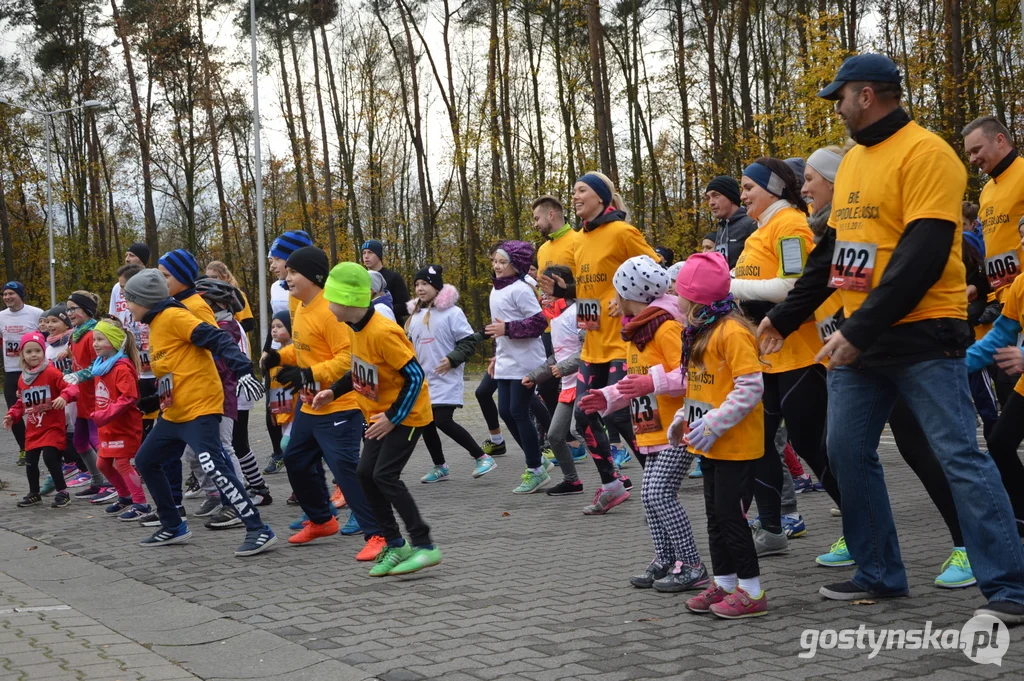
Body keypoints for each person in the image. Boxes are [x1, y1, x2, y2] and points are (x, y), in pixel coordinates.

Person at [760, 53, 1024, 620]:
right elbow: (833, 252)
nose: (838, 107)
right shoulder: (853, 161)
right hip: (863, 341)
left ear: (868, 95)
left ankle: (1009, 586)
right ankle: (880, 572)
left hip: (924, 334)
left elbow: (923, 252)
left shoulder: (929, 153)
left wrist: (860, 327)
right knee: (845, 452)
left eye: (841, 96)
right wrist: (783, 317)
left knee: (958, 455)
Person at [802, 144, 974, 587]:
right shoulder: (822, 226)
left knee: (928, 449)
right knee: (843, 448)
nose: (804, 189)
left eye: (811, 179)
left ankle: (968, 545)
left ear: (836, 184)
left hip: (897, 342)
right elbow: (830, 278)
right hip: (853, 346)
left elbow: (904, 268)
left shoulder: (869, 206)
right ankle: (869, 550)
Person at [121, 268, 276, 556]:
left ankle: (259, 530)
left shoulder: (174, 316)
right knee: (146, 460)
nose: (127, 306)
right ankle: (173, 525)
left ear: (145, 300)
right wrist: (155, 400)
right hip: (175, 411)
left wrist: (243, 370)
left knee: (213, 465)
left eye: (130, 300)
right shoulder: (156, 324)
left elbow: (217, 339)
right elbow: (177, 369)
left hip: (200, 406)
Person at [580, 256, 710, 591]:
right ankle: (665, 558)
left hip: (678, 427)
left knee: (660, 494)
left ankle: (693, 565)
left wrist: (651, 383)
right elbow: (634, 381)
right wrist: (607, 397)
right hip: (649, 427)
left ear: (629, 293)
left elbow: (690, 374)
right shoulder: (637, 331)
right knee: (648, 497)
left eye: (617, 292)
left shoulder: (667, 327)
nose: (614, 300)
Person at [731, 157, 834, 557]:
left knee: (811, 445)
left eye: (748, 187)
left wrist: (731, 284)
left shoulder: (790, 223)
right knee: (758, 443)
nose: (742, 196)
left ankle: (863, 528)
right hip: (768, 357)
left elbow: (794, 286)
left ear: (773, 187)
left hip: (801, 354)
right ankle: (772, 529)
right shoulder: (762, 229)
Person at [314, 262, 440, 577]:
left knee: (385, 476)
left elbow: (415, 376)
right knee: (364, 474)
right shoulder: (354, 328)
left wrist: (393, 417)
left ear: (348, 301)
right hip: (378, 414)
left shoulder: (383, 331)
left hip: (407, 415)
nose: (328, 307)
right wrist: (333, 391)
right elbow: (360, 368)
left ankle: (425, 546)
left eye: (331, 300)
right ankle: (396, 544)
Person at [260, 246, 385, 559]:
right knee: (296, 458)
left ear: (314, 278)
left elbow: (348, 359)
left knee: (346, 471)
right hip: (310, 404)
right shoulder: (299, 304)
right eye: (286, 271)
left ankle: (379, 534)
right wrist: (279, 355)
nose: (286, 277)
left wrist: (308, 374)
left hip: (339, 405)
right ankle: (321, 519)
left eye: (292, 272)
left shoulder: (331, 311)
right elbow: (304, 348)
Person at [548, 171, 655, 513]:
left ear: (600, 197)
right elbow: (587, 289)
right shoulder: (578, 239)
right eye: (574, 191)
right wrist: (563, 293)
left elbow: (655, 268)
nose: (575, 196)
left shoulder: (623, 232)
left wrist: (626, 295)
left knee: (623, 417)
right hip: (591, 345)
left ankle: (657, 479)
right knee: (583, 415)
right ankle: (611, 485)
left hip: (622, 343)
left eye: (581, 190)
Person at [675, 254, 768, 617]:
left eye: (679, 290)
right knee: (715, 516)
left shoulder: (733, 332)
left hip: (736, 445)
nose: (675, 296)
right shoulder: (700, 331)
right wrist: (684, 418)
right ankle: (725, 582)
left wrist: (713, 423)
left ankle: (752, 590)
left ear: (695, 297)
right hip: (711, 446)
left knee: (733, 517)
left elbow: (749, 387)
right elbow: (704, 390)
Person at [406, 265, 495, 482]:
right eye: (417, 284)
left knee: (442, 420)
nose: (420, 288)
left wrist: (452, 359)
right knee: (425, 423)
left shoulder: (452, 313)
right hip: (423, 379)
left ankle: (482, 457)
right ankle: (440, 467)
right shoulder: (415, 316)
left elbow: (467, 342)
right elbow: (409, 345)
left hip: (446, 377)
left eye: (425, 284)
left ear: (436, 287)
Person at [962, 115, 1024, 407]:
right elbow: (991, 250)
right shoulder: (987, 191)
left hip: (1022, 300)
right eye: (969, 154)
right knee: (1007, 391)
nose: (973, 159)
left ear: (1000, 140)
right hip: (1004, 304)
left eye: (976, 150)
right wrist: (981, 288)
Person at [486, 241, 551, 494]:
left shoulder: (521, 289)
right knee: (505, 411)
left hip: (526, 361)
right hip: (506, 360)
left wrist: (509, 329)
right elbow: (497, 328)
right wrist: (496, 357)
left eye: (503, 262)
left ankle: (535, 470)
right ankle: (537, 457)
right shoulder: (496, 290)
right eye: (495, 261)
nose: (497, 266)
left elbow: (538, 323)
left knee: (518, 410)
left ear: (517, 265)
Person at [524, 265, 588, 495]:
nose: (543, 293)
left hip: (587, 382)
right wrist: (534, 375)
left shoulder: (580, 310)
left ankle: (614, 478)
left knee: (579, 429)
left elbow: (589, 350)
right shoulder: (556, 317)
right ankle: (573, 482)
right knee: (554, 435)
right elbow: (556, 356)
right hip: (568, 386)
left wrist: (563, 367)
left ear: (562, 284)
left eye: (546, 286)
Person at [82, 320, 148, 520]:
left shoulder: (122, 367)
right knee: (102, 464)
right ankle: (125, 496)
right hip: (107, 426)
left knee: (122, 463)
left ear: (114, 342)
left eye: (100, 339)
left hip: (124, 425)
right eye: (94, 339)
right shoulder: (100, 367)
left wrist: (105, 413)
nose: (95, 343)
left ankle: (141, 504)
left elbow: (129, 398)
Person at [4, 331, 77, 508]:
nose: (33, 355)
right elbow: (22, 401)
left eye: (37, 350)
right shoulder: (23, 378)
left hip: (52, 425)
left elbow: (71, 388)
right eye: (29, 352)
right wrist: (12, 415)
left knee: (50, 457)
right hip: (34, 427)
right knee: (30, 461)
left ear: (43, 352)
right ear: (22, 355)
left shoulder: (51, 372)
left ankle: (62, 491)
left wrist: (63, 397)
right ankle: (34, 493)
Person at [263, 230, 313, 474]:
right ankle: (318, 506)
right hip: (299, 373)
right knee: (293, 444)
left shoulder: (321, 297)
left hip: (328, 389)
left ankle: (353, 503)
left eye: (275, 259)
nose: (271, 264)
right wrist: (275, 355)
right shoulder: (284, 291)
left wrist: (309, 372)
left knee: (338, 457)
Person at [63, 291, 110, 498]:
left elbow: (98, 365)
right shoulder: (76, 335)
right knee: (79, 442)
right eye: (68, 309)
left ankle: (112, 484)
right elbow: (74, 365)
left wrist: (78, 376)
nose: (69, 313)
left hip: (94, 398)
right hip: (81, 399)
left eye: (73, 308)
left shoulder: (93, 334)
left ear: (86, 310)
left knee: (97, 440)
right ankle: (97, 480)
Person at [1, 281, 43, 465]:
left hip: (34, 368)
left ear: (20, 295)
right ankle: (24, 448)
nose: (7, 297)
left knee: (40, 407)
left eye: (11, 293)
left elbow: (46, 337)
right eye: (5, 294)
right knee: (13, 410)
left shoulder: (36, 313)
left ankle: (48, 445)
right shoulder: (1, 316)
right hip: (12, 369)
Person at [705, 176, 757, 268]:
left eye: (716, 195)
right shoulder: (722, 227)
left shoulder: (751, 224)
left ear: (731, 197)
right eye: (708, 198)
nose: (711, 202)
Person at [361, 239, 410, 327]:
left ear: (379, 255)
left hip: (392, 326)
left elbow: (405, 307)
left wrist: (381, 309)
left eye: (370, 252)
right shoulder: (361, 278)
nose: (366, 256)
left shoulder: (393, 277)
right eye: (364, 253)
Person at [205, 261, 255, 334]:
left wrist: (228, 331)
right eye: (207, 278)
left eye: (214, 277)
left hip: (236, 341)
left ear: (225, 277)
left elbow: (249, 324)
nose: (210, 281)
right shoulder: (206, 297)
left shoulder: (236, 295)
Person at [107, 243, 150, 324]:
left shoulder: (151, 285)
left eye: (132, 255)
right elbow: (113, 316)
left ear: (142, 260)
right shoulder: (117, 287)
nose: (127, 259)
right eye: (126, 255)